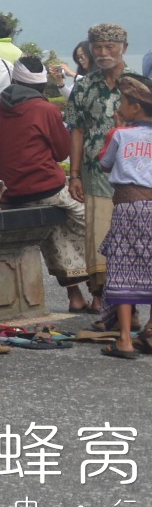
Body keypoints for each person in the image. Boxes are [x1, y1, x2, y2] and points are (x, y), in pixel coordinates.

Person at [0, 57, 94, 310]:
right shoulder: (46, 110)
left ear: (14, 81)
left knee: (55, 232)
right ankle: (98, 293)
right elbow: (60, 152)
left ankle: (75, 297)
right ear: (41, 86)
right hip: (47, 186)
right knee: (90, 224)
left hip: (11, 191)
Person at [67, 22, 129, 300]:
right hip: (95, 173)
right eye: (98, 47)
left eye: (110, 46)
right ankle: (104, 303)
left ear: (123, 49)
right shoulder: (84, 88)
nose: (103, 52)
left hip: (135, 174)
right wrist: (75, 175)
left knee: (134, 237)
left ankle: (131, 306)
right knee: (98, 235)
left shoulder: (138, 85)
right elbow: (77, 130)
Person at [94, 76, 152, 359]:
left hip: (128, 208)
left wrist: (118, 125)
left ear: (135, 107)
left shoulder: (119, 134)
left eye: (123, 102)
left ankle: (125, 340)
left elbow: (104, 164)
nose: (119, 105)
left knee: (123, 267)